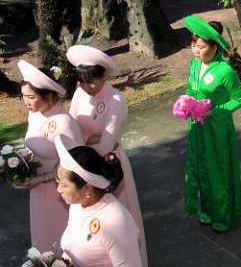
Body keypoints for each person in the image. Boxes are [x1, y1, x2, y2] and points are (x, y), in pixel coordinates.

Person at [67, 45, 147, 265]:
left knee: (116, 223)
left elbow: (105, 146)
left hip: (108, 165)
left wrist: (85, 140)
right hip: (82, 165)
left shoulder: (115, 101)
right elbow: (71, 130)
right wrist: (88, 138)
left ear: (104, 75)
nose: (86, 87)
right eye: (81, 82)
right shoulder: (80, 93)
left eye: (91, 81)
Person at [183, 16, 241, 232]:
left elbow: (240, 100)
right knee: (201, 167)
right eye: (193, 45)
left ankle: (224, 216)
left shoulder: (224, 71)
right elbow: (191, 89)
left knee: (219, 170)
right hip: (197, 126)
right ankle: (208, 211)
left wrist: (215, 112)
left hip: (217, 127)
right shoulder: (194, 64)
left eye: (201, 47)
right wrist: (185, 102)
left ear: (214, 47)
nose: (196, 50)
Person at [18, 60, 83, 252]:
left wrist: (42, 179)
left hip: (59, 190)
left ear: (48, 96)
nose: (26, 102)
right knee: (43, 237)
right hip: (37, 189)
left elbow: (74, 164)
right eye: (23, 96)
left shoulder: (64, 123)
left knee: (61, 237)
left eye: (31, 97)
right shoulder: (35, 114)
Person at [54, 135, 143, 267]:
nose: (58, 190)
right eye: (57, 183)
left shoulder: (117, 223)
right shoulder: (77, 206)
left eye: (63, 185)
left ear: (87, 188)